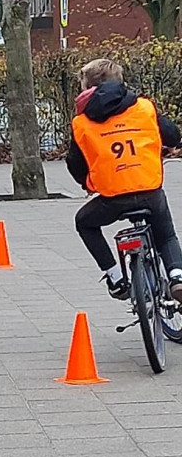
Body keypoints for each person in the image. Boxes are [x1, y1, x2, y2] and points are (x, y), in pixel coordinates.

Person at [67, 58, 182, 301]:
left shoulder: (82, 123)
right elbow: (172, 135)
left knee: (84, 222)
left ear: (86, 88)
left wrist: (87, 184)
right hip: (149, 190)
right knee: (166, 234)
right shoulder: (143, 108)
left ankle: (116, 278)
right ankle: (176, 276)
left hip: (112, 197)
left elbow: (75, 163)